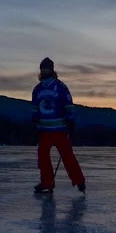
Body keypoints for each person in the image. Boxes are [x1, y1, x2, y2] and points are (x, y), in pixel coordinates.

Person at [32, 57, 86, 194]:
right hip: (44, 130)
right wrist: (35, 122)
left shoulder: (60, 87)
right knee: (43, 157)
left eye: (47, 68)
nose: (44, 70)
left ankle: (79, 181)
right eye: (42, 68)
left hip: (60, 129)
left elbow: (68, 104)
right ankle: (47, 183)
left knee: (68, 157)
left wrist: (71, 120)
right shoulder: (37, 89)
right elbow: (35, 108)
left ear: (51, 69)